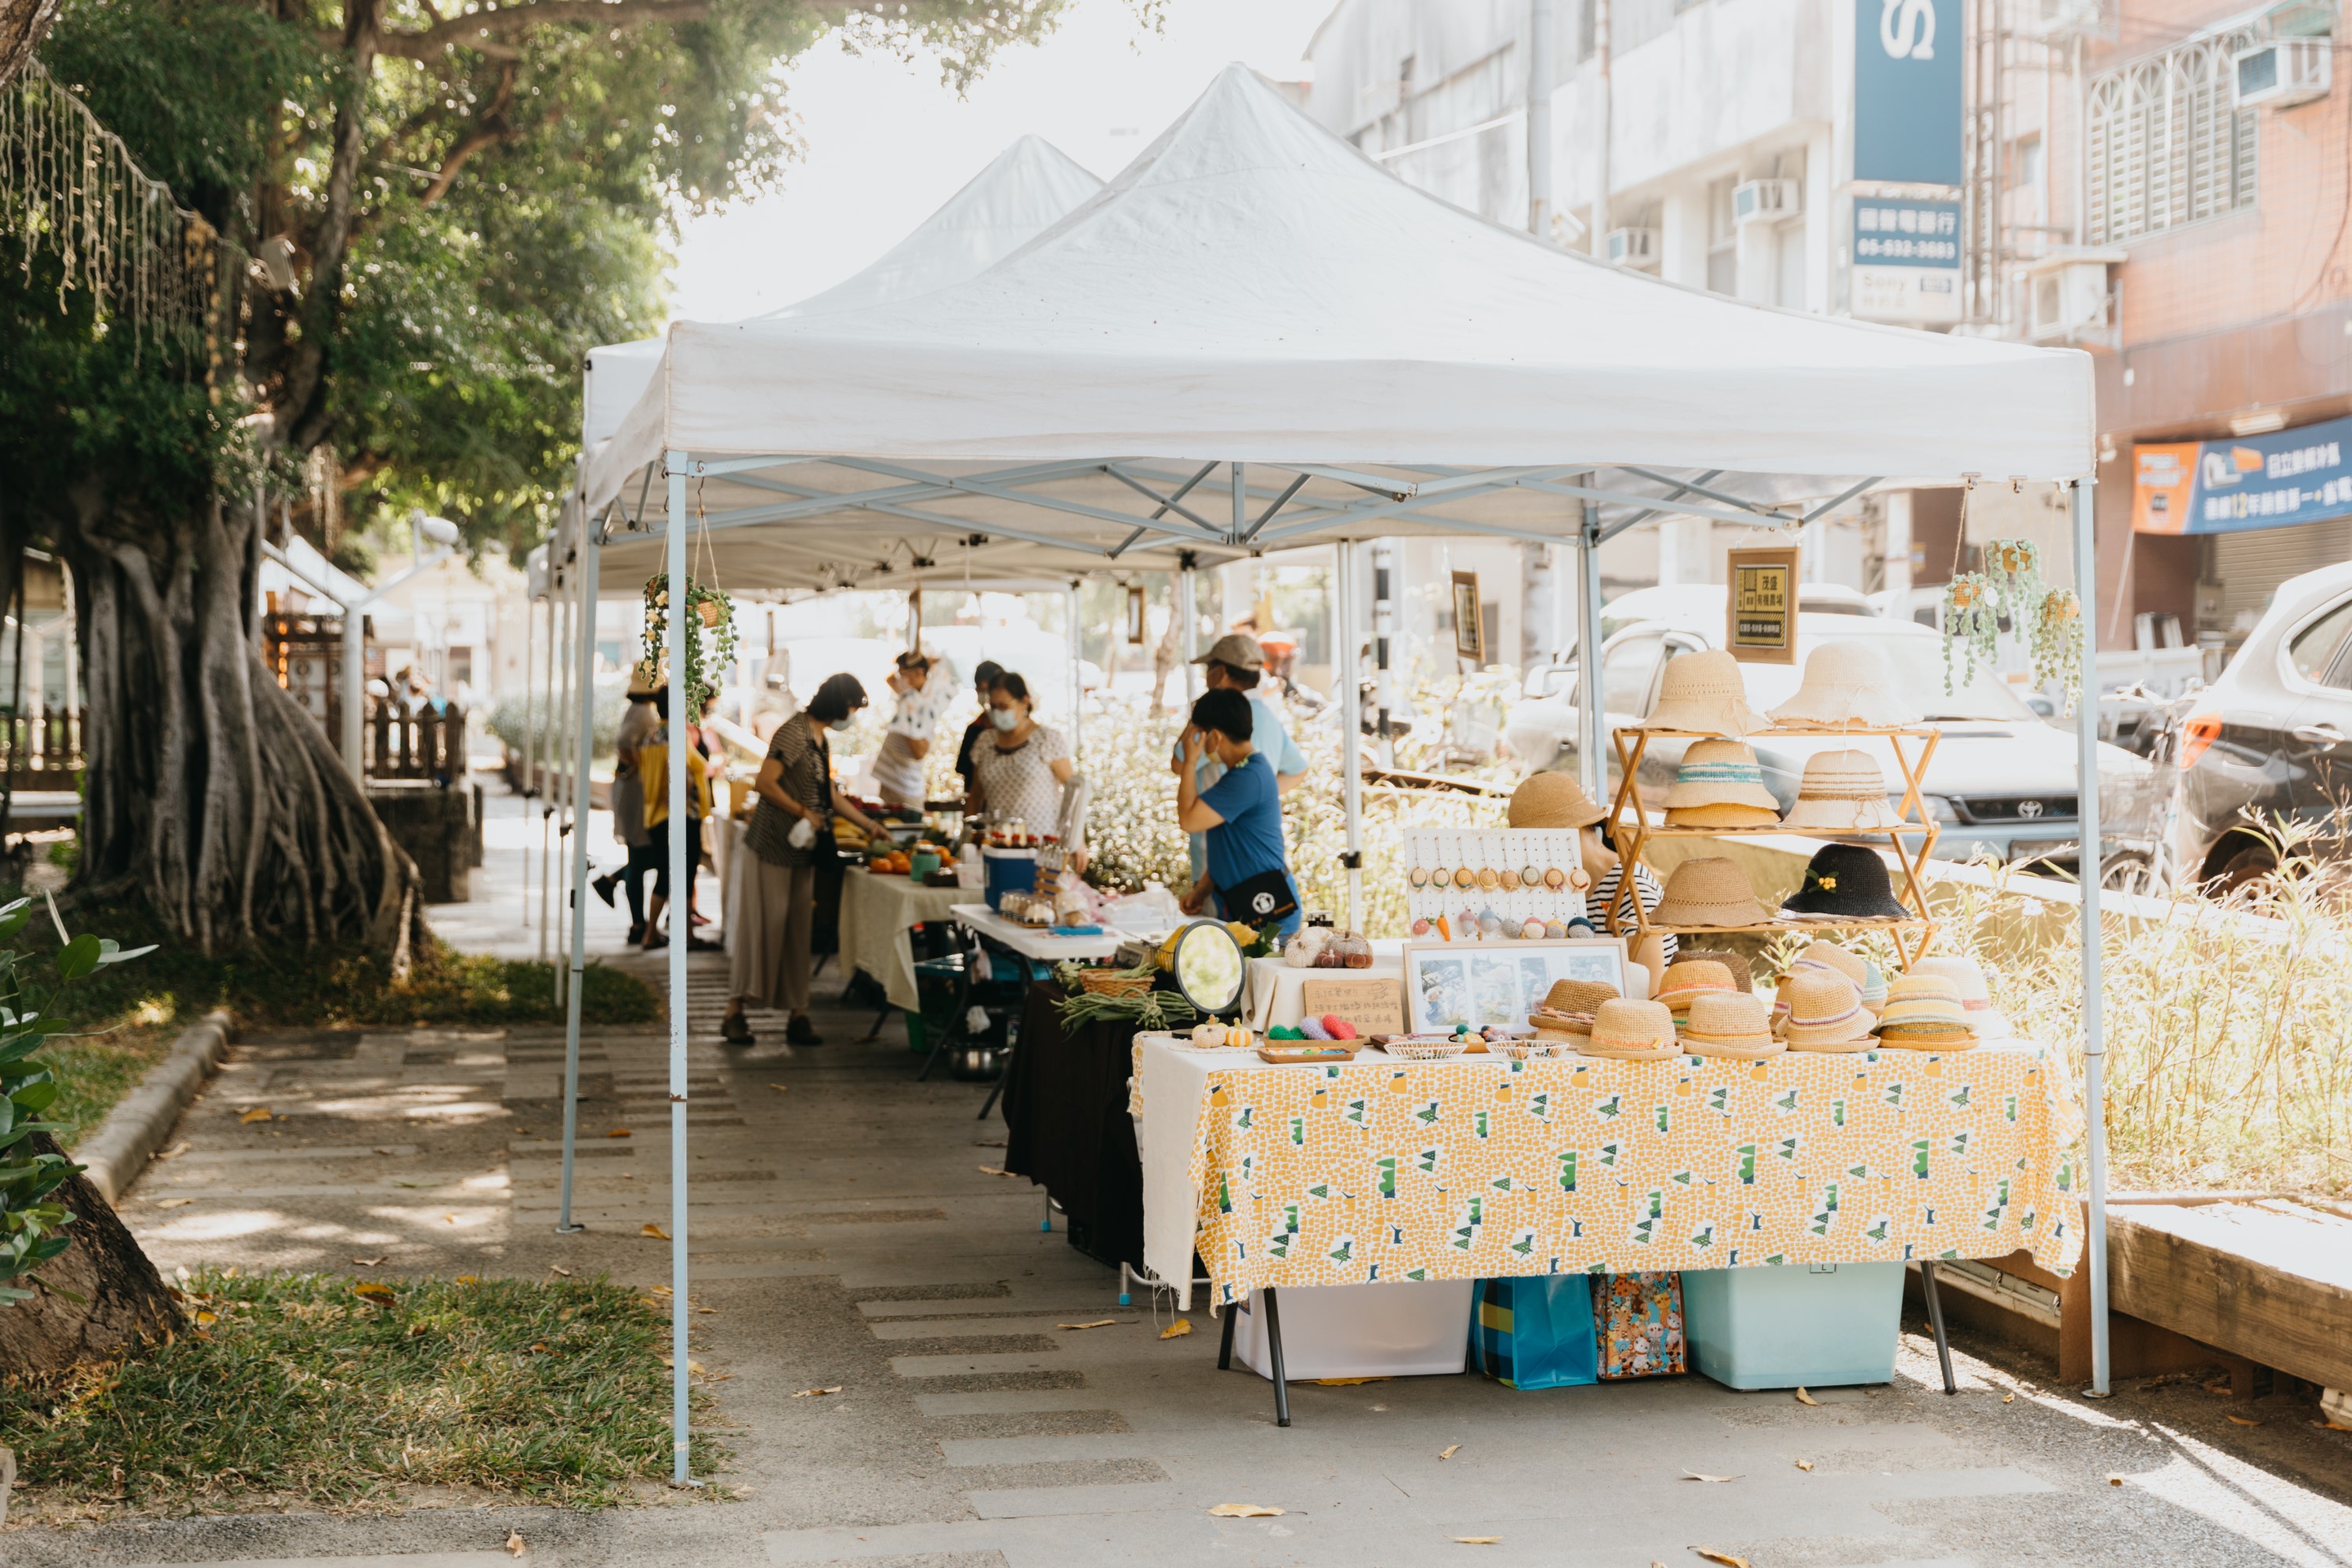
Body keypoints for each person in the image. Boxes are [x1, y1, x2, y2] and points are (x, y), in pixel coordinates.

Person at [721, 673, 884, 1047]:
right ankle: (734, 1012)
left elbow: (828, 794)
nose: (853, 716)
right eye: (853, 708)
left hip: (801, 852)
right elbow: (765, 783)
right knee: (762, 928)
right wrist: (801, 811)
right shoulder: (793, 733)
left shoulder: (819, 738)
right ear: (838, 702)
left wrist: (869, 825)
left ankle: (798, 1013)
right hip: (771, 847)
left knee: (796, 932)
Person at [1171, 633, 1306, 903]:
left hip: (1229, 869)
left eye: (1208, 669)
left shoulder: (1218, 720)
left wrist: (1246, 800)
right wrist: (1256, 803)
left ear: (1220, 673)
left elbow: (1179, 764)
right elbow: (1299, 769)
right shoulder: (1267, 716)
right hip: (1230, 865)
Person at [1174, 688, 1301, 941]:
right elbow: (1228, 845)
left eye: (1198, 734)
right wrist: (1202, 890)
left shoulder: (1247, 778)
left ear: (1216, 736)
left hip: (1269, 915)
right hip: (1247, 906)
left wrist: (1190, 760)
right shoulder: (1244, 773)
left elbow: (1188, 820)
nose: (1194, 741)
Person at [637, 687, 716, 952]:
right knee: (682, 873)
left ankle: (653, 933)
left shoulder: (652, 735)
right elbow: (678, 775)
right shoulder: (676, 735)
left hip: (657, 815)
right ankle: (682, 936)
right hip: (679, 817)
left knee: (666, 873)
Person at [593, 673, 661, 945]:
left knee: (641, 855)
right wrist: (643, 765)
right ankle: (637, 923)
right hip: (636, 791)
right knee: (642, 854)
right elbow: (624, 742)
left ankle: (611, 882)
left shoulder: (637, 710)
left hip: (631, 789)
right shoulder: (644, 713)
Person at [964, 671, 1074, 835]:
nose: (997, 712)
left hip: (1040, 842)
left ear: (1024, 702)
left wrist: (1075, 838)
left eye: (1004, 706)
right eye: (993, 707)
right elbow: (975, 795)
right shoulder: (985, 741)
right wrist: (968, 835)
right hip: (998, 843)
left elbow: (1073, 789)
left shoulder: (1047, 739)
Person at [873, 650, 953, 809]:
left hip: (905, 783)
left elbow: (919, 752)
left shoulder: (921, 702)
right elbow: (890, 680)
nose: (899, 679)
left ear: (917, 673)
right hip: (894, 778)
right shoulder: (913, 696)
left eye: (903, 674)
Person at [953, 659, 1005, 797]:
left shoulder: (1017, 733)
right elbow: (967, 776)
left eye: (990, 690)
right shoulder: (974, 730)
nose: (987, 697)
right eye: (981, 690)